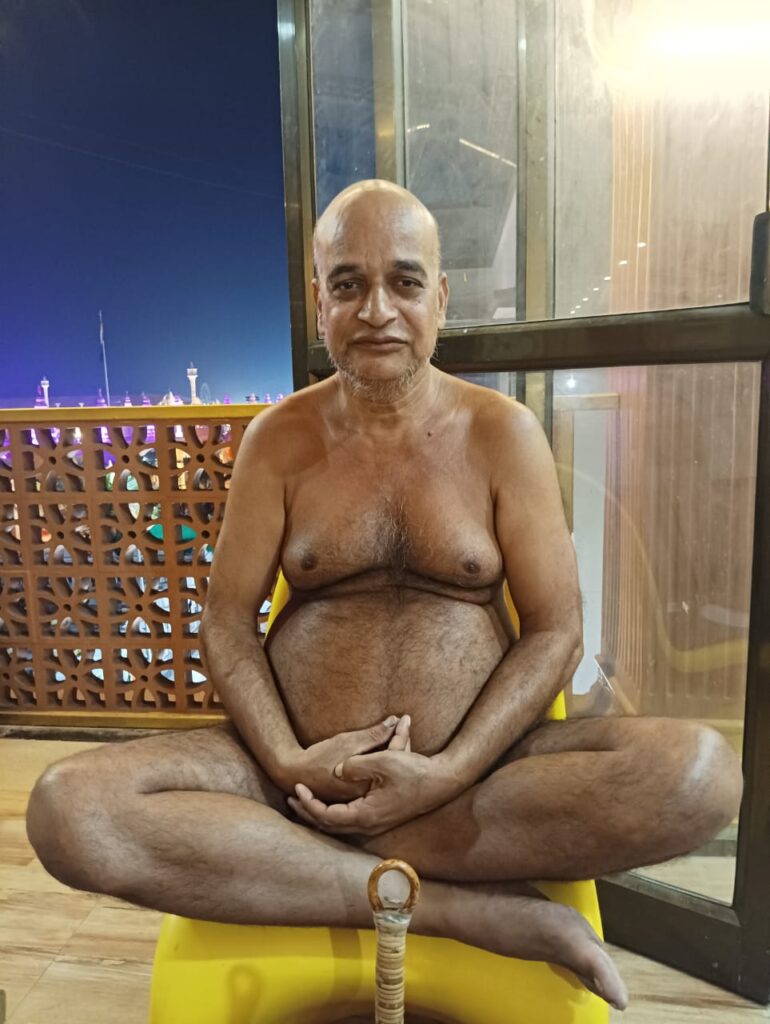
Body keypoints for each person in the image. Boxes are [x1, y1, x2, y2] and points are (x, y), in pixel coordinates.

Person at [27, 180, 743, 1012]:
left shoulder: (501, 433)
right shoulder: (278, 441)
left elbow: (556, 630)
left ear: (439, 299)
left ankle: (324, 857)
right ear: (319, 302)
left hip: (474, 784)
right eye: (348, 284)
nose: (377, 310)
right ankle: (460, 909)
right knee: (68, 809)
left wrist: (446, 772)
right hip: (291, 783)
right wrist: (287, 760)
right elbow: (226, 623)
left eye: (404, 282)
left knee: (700, 775)